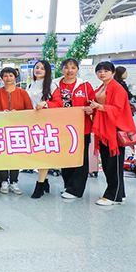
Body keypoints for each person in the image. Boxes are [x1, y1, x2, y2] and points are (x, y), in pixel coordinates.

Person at [89, 61, 136, 206]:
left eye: (106, 71)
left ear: (113, 72)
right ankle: (119, 193)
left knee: (113, 163)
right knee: (108, 162)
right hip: (105, 127)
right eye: (99, 71)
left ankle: (112, 195)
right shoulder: (103, 87)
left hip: (114, 128)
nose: (102, 73)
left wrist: (99, 106)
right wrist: (93, 108)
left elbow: (118, 109)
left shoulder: (117, 88)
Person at [49, 58, 96, 199]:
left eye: (73, 68)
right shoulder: (55, 84)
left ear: (77, 70)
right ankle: (68, 185)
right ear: (62, 69)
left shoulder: (85, 85)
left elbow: (93, 103)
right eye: (67, 67)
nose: (70, 70)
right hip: (61, 127)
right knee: (66, 156)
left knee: (81, 157)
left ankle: (76, 189)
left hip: (82, 127)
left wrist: (91, 109)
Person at [0, 67, 32, 194]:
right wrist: (1, 112)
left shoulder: (23, 93)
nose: (8, 78)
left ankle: (14, 181)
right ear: (2, 78)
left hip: (17, 129)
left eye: (11, 76)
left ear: (15, 77)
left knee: (15, 155)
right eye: (5, 76)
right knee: (3, 154)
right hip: (1, 128)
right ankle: (3, 180)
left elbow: (29, 110)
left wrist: (18, 114)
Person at [26, 60, 58, 199]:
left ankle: (39, 184)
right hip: (32, 123)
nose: (38, 70)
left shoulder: (52, 85)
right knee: (36, 153)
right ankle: (44, 181)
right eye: (37, 67)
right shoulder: (31, 84)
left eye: (42, 68)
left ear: (47, 72)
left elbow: (59, 103)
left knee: (44, 152)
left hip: (46, 123)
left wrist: (45, 103)